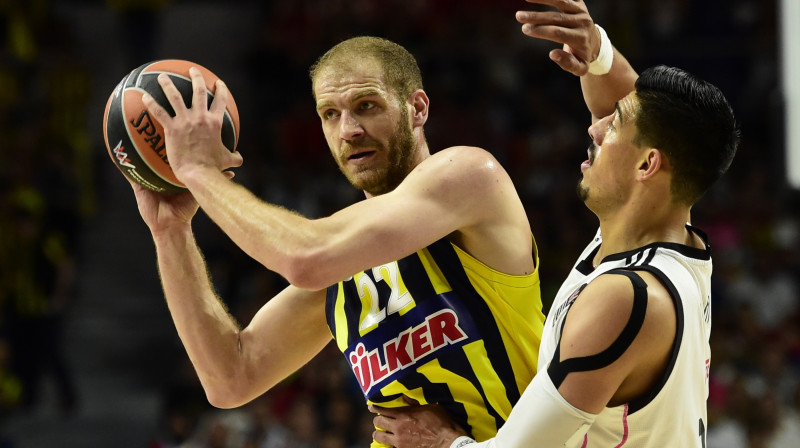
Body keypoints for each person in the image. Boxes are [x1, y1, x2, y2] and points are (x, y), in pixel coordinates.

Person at [131, 36, 545, 446]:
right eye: (330, 114)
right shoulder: (342, 265)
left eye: (367, 106)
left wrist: (200, 172)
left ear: (417, 108)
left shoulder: (469, 175)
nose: (348, 130)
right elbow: (230, 378)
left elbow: (306, 257)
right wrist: (171, 232)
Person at [370, 0, 740, 447]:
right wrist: (597, 48)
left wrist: (444, 442)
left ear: (647, 165)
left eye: (615, 124)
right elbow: (632, 105)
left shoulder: (624, 299)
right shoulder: (665, 224)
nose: (594, 129)